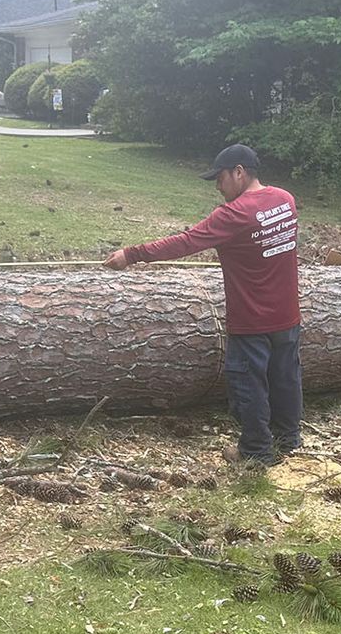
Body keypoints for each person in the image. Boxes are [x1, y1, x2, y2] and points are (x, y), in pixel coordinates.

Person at [104, 144, 302, 465]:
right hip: (288, 317)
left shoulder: (235, 213)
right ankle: (287, 438)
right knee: (285, 378)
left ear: (239, 172)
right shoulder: (285, 200)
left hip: (252, 321)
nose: (217, 186)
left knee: (249, 385)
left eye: (220, 178)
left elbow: (186, 241)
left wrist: (132, 254)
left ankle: (256, 451)